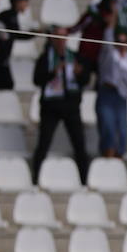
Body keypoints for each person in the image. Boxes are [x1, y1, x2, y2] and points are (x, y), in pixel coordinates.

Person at [30, 27, 91, 185]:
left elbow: (86, 80)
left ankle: (84, 180)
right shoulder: (45, 59)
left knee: (80, 145)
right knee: (43, 144)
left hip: (71, 106)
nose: (61, 41)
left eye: (63, 37)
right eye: (57, 37)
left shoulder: (75, 57)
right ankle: (35, 178)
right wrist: (53, 72)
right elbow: (37, 80)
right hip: (50, 107)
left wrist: (79, 73)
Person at [96, 31, 127, 159]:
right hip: (106, 94)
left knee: (122, 132)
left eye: (124, 42)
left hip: (121, 97)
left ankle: (117, 162)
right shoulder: (109, 55)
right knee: (108, 129)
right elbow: (107, 41)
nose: (122, 45)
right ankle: (108, 161)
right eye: (119, 41)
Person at [0, 0, 32, 90]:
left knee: (2, 84)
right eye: (25, 2)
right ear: (18, 2)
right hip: (0, 53)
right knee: (5, 84)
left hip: (3, 53)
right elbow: (16, 34)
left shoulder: (10, 15)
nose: (26, 6)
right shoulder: (9, 16)